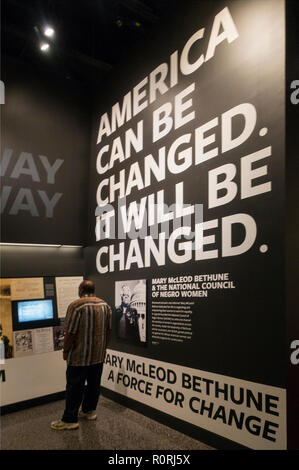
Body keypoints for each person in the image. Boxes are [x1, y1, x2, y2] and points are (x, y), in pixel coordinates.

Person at [51, 280, 112, 430]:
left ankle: (70, 419)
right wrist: (104, 349)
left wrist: (65, 350)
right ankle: (89, 412)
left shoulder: (76, 306)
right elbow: (109, 331)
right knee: (94, 384)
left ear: (81, 290)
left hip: (79, 356)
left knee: (74, 386)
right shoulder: (105, 305)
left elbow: (70, 332)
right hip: (97, 355)